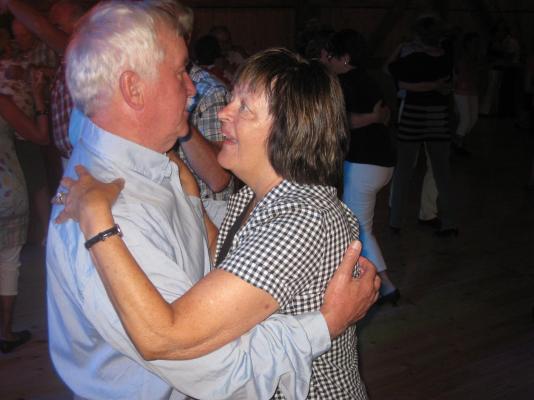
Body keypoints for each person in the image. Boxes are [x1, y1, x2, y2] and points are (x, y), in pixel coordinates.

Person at [48, 2, 379, 399]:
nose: (214, 106)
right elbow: (194, 345)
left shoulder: (298, 217)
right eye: (180, 72)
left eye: (244, 107)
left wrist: (174, 184)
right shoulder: (124, 204)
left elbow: (172, 330)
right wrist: (325, 324)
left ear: (287, 131)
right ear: (133, 88)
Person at [322, 29, 399, 305]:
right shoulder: (373, 78)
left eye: (330, 55)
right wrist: (375, 118)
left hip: (363, 164)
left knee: (359, 228)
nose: (326, 59)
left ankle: (386, 286)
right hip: (383, 162)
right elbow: (386, 114)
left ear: (344, 58)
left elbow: (341, 122)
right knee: (357, 224)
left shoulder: (342, 83)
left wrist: (369, 118)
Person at [388, 15, 458, 237]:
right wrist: (434, 86)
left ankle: (395, 221)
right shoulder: (446, 58)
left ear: (418, 36)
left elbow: (392, 73)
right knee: (441, 172)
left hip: (413, 116)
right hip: (438, 117)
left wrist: (402, 48)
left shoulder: (414, 58)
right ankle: (449, 223)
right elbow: (448, 86)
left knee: (404, 170)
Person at [0, 53, 48, 354]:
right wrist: (38, 98)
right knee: (8, 262)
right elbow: (39, 137)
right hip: (6, 191)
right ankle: (5, 332)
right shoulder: (3, 103)